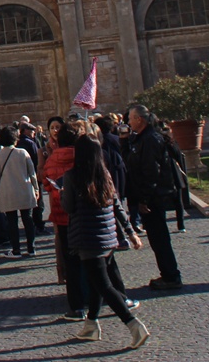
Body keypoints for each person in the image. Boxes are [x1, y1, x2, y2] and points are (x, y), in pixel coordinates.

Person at [62, 135, 151, 348]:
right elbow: (117, 206)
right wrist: (130, 233)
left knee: (104, 286)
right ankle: (91, 325)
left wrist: (64, 194)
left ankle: (133, 325)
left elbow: (69, 208)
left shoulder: (72, 176)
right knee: (96, 285)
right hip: (108, 237)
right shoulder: (105, 175)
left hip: (86, 237)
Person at [126, 104, 183, 291]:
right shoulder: (144, 138)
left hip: (153, 197)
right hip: (152, 195)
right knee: (158, 238)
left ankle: (171, 276)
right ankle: (168, 274)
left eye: (131, 118)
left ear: (139, 120)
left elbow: (151, 172)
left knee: (160, 238)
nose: (128, 121)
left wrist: (144, 199)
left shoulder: (150, 140)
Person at [42, 121, 86, 318]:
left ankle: (75, 305)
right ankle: (95, 296)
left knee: (71, 260)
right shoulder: (83, 156)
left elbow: (46, 183)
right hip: (83, 214)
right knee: (92, 258)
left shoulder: (51, 159)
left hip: (61, 214)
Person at [0, 127, 39, 257]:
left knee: (12, 222)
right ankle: (31, 248)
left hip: (7, 191)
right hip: (25, 190)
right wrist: (36, 188)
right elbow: (32, 172)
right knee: (28, 219)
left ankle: (16, 249)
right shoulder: (23, 153)